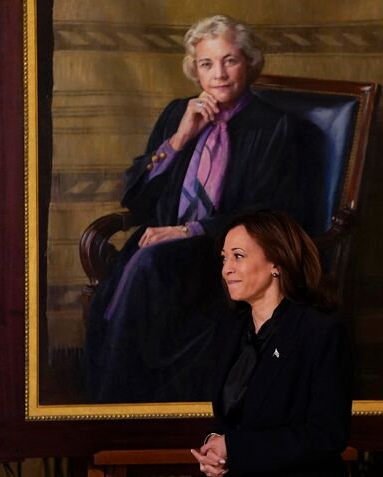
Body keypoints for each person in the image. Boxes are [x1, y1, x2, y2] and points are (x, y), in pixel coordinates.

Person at [86, 15, 299, 402]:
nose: (218, 73)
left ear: (248, 63)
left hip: (220, 253)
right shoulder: (176, 113)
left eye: (229, 60)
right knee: (140, 264)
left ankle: (117, 402)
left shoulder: (274, 126)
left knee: (149, 266)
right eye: (206, 63)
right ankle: (113, 408)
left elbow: (268, 210)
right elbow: (135, 199)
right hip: (162, 242)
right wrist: (180, 137)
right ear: (195, 70)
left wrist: (189, 231)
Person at [190, 210, 352, 477]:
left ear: (276, 263)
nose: (226, 268)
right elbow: (231, 420)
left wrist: (234, 447)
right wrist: (215, 448)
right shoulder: (231, 329)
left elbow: (327, 435)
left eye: (238, 256)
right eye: (224, 258)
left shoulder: (320, 331)